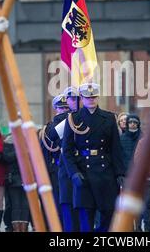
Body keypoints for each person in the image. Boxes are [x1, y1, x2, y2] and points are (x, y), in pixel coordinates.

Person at [62, 83, 125, 232]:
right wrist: (73, 172)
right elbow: (67, 150)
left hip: (105, 174)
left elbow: (115, 149)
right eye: (87, 97)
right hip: (83, 173)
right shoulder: (74, 119)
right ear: (82, 98)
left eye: (93, 97)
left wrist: (120, 173)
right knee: (85, 218)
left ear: (97, 97)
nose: (91, 99)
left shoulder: (109, 118)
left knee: (108, 217)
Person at [40, 94, 69, 225]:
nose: (64, 111)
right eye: (61, 108)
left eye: (66, 108)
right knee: (57, 201)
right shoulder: (48, 128)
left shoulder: (76, 124)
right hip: (55, 168)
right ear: (56, 109)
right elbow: (44, 152)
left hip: (70, 169)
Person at [58, 86, 80, 232]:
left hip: (83, 166)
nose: (72, 102)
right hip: (66, 168)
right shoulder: (61, 120)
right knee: (67, 206)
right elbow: (52, 137)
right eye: (70, 99)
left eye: (75, 99)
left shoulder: (84, 117)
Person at [3, 135, 30, 232]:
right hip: (13, 178)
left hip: (27, 178)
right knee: (16, 205)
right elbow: (6, 157)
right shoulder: (8, 142)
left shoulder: (29, 142)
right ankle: (17, 229)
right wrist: (19, 151)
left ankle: (24, 228)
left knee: (25, 205)